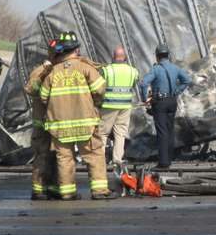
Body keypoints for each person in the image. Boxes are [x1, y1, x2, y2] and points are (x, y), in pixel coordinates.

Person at [39, 31, 116, 200]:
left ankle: (67, 193)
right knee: (94, 155)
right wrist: (92, 102)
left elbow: (43, 96)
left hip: (60, 125)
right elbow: (99, 90)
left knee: (64, 159)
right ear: (76, 50)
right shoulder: (86, 68)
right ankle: (99, 191)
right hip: (85, 123)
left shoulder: (52, 72)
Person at [24, 39, 64, 200]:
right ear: (54, 55)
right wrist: (42, 78)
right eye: (62, 55)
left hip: (56, 121)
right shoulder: (41, 70)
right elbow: (31, 90)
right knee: (42, 155)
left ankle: (53, 188)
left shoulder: (59, 70)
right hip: (42, 122)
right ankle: (38, 189)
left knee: (57, 155)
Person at [140, 44, 190, 169]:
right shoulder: (176, 68)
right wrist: (177, 91)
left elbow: (144, 84)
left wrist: (144, 99)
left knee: (162, 132)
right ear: (168, 56)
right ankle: (169, 160)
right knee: (169, 130)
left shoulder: (155, 69)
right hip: (172, 101)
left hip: (160, 102)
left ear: (157, 57)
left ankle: (163, 162)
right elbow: (186, 81)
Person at [99, 47, 140, 165]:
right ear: (125, 57)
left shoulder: (107, 70)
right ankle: (117, 159)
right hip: (125, 105)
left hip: (109, 105)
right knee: (120, 133)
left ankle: (100, 160)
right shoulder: (133, 71)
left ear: (113, 56)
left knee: (102, 133)